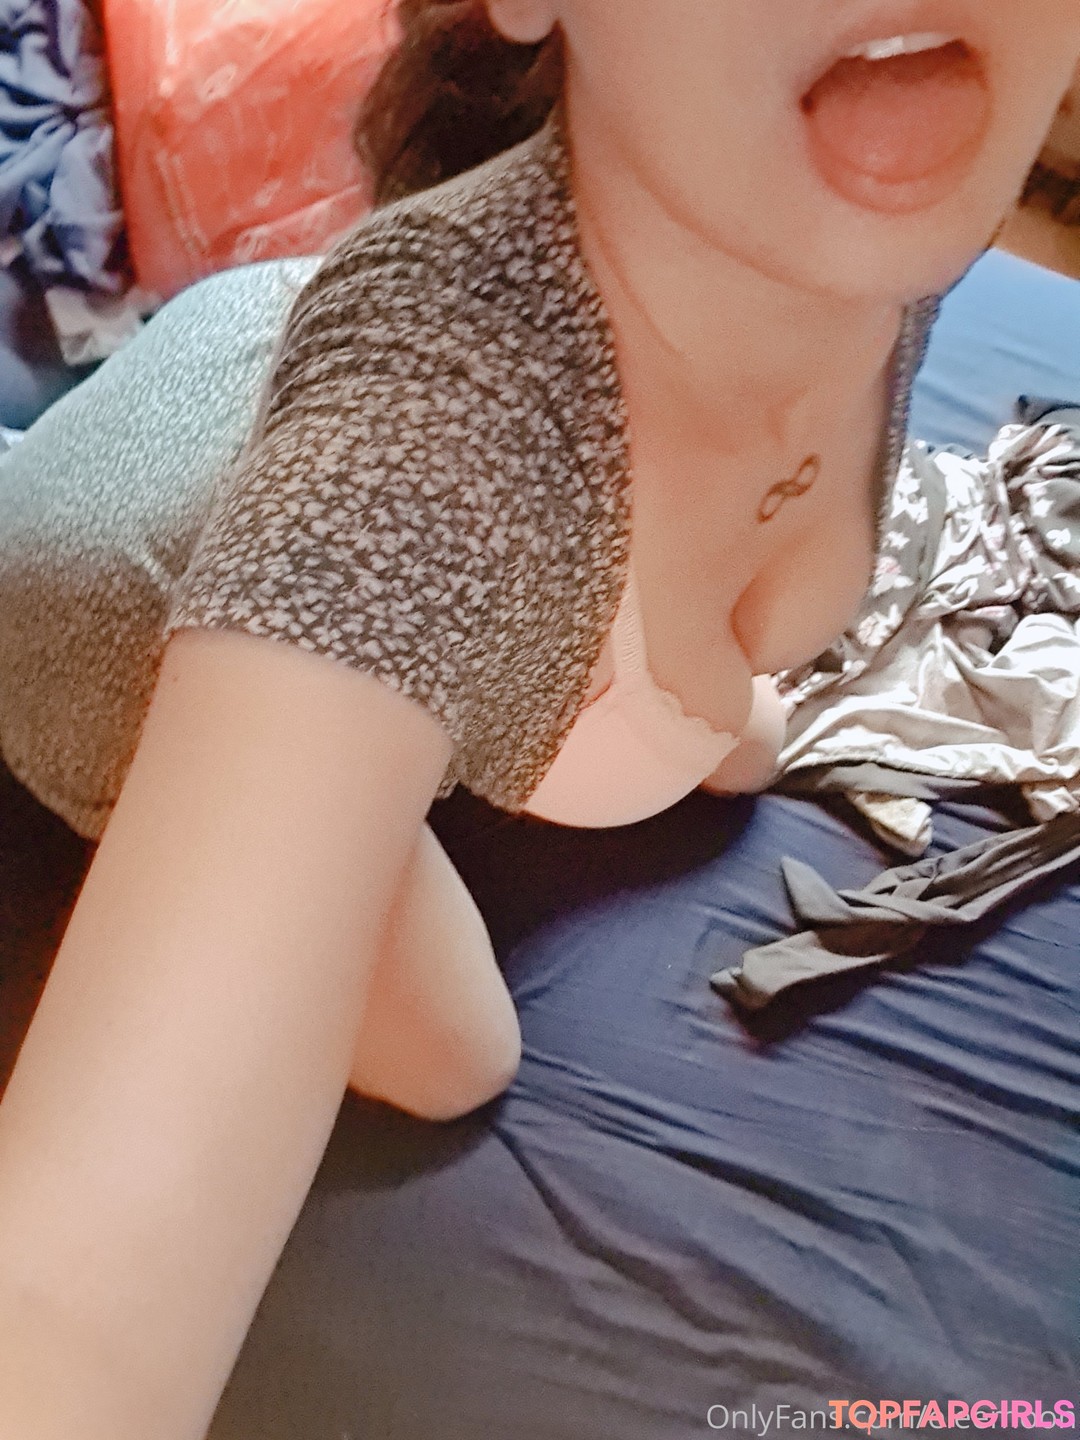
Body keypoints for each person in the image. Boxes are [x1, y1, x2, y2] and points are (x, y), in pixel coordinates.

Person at [0, 2, 1077, 1436]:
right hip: (98, 598)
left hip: (233, 360)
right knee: (459, 1058)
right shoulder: (426, 445)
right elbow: (78, 1303)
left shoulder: (900, 196)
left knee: (739, 742)